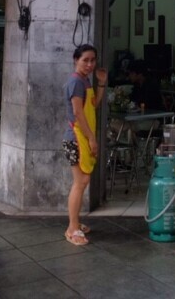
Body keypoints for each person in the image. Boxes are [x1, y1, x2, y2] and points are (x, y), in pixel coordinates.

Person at [63, 44, 107, 246]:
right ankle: (72, 228)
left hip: (82, 137)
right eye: (85, 60)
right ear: (76, 60)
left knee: (82, 182)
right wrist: (91, 138)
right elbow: (79, 113)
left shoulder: (85, 81)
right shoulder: (75, 82)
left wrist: (101, 84)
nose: (90, 64)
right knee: (80, 183)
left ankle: (76, 222)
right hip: (76, 138)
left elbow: (93, 106)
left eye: (92, 60)